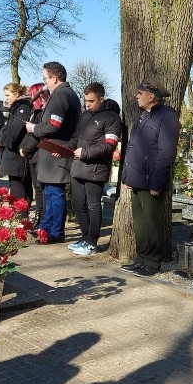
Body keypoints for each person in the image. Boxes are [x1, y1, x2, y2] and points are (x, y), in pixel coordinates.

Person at [120, 78, 180, 277]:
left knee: (152, 224)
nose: (136, 96)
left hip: (151, 179)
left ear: (151, 96)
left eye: (139, 93)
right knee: (140, 223)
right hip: (137, 178)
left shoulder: (167, 116)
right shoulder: (143, 116)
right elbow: (133, 147)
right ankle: (142, 258)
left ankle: (152, 262)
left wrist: (157, 183)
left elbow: (166, 153)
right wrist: (128, 176)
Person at [25, 62, 80, 243]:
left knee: (55, 193)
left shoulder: (61, 95)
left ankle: (56, 232)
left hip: (57, 150)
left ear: (54, 78)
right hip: (54, 150)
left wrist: (34, 128)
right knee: (49, 191)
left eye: (46, 78)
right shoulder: (67, 94)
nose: (45, 82)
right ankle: (46, 228)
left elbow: (54, 125)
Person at [68, 82, 122, 256]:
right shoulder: (84, 116)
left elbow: (109, 145)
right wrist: (62, 148)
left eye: (91, 101)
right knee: (77, 204)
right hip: (78, 167)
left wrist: (85, 152)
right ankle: (84, 238)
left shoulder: (112, 118)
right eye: (86, 101)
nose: (88, 104)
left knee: (93, 206)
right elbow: (76, 138)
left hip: (95, 169)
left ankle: (92, 242)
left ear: (101, 98)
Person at [0, 83, 33, 201]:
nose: (6, 98)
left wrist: (1, 141)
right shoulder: (18, 108)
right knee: (18, 186)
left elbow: (13, 132)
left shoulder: (22, 109)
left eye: (8, 95)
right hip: (14, 154)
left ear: (16, 94)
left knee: (18, 189)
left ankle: (21, 216)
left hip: (17, 154)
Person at [20, 83, 48, 227]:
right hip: (33, 154)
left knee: (40, 188)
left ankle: (41, 217)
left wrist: (25, 149)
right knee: (37, 187)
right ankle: (39, 216)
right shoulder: (34, 112)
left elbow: (36, 135)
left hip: (37, 153)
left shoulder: (41, 114)